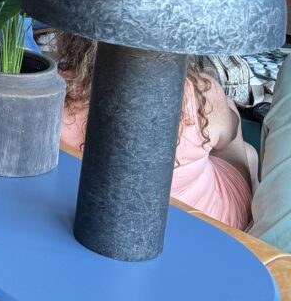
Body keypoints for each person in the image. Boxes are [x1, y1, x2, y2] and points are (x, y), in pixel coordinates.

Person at [49, 31, 256, 229]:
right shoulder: (196, 92)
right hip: (208, 225)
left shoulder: (53, 89)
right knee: (243, 143)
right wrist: (225, 105)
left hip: (92, 217)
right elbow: (228, 136)